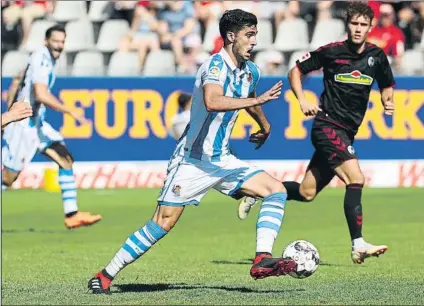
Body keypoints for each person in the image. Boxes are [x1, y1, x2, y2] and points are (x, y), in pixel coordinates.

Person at [88, 9, 296, 294]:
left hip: (222, 159)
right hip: (192, 161)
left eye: (255, 34)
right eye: (249, 35)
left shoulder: (251, 71)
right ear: (231, 36)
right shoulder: (214, 66)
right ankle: (105, 275)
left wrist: (264, 123)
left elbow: (247, 98)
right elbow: (212, 100)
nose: (254, 41)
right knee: (162, 223)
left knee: (276, 189)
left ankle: (262, 258)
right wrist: (258, 99)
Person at [239, 2, 393, 264]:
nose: (358, 29)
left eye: (363, 25)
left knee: (306, 192)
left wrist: (387, 101)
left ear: (370, 27)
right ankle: (358, 244)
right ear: (347, 25)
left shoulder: (376, 56)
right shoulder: (332, 52)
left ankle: (254, 191)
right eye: (354, 24)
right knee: (356, 178)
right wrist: (301, 99)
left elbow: (387, 84)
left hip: (347, 132)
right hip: (328, 127)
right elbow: (295, 70)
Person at [1, 25, 102, 229]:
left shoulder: (42, 58)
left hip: (36, 123)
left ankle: (72, 214)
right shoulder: (42, 59)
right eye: (56, 41)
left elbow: (18, 79)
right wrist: (70, 111)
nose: (59, 45)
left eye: (62, 41)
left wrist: (10, 105)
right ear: (46, 41)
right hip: (23, 126)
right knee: (8, 178)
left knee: (65, 159)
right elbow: (41, 94)